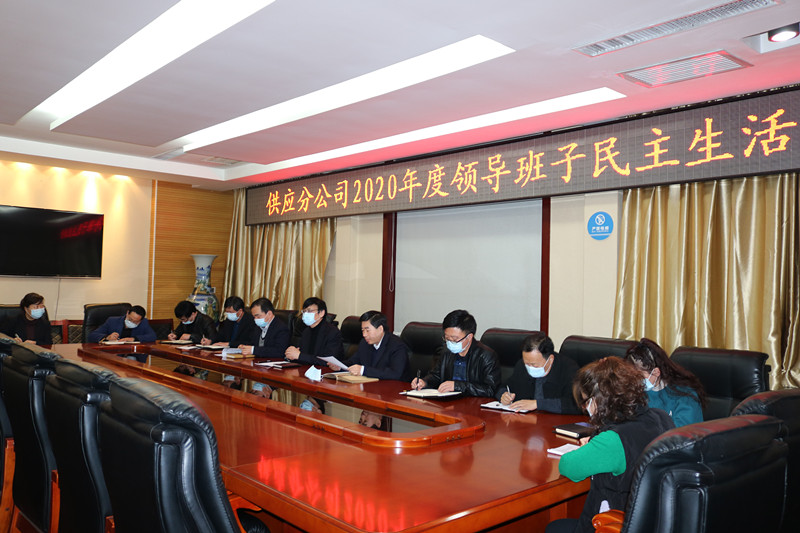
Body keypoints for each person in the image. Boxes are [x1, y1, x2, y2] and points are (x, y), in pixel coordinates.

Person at [545, 357, 674, 533]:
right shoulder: (661, 417)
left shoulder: (612, 439)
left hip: (614, 524)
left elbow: (568, 466)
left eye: (586, 401)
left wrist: (590, 447)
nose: (586, 408)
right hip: (655, 522)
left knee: (554, 528)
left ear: (600, 400)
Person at [411, 309, 500, 398]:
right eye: (447, 338)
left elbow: (490, 390)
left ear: (469, 337)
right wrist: (424, 382)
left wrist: (457, 386)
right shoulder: (446, 351)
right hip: (448, 401)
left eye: (454, 339)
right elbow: (436, 375)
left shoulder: (486, 356)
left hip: (472, 404)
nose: (450, 343)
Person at [625, 338, 705, 427]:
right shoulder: (634, 393)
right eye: (631, 376)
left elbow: (680, 432)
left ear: (656, 372)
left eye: (639, 376)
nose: (635, 380)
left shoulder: (685, 395)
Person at [496, 332, 580, 414]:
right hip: (526, 418)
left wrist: (538, 404)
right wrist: (503, 395)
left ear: (550, 359)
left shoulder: (569, 369)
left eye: (534, 365)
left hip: (556, 420)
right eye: (527, 363)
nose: (529, 367)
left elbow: (575, 405)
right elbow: (504, 386)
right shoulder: (521, 366)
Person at [341, 310, 411, 380]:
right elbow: (353, 361)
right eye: (362, 330)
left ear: (380, 329)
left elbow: (395, 374)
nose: (364, 335)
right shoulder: (364, 343)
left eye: (367, 330)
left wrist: (363, 371)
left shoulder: (397, 346)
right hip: (370, 383)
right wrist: (340, 366)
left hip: (393, 385)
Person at [285, 297, 344, 365]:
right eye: (304, 311)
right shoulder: (306, 331)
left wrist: (299, 356)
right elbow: (301, 355)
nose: (305, 314)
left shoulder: (333, 332)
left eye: (309, 311)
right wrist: (291, 354)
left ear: (321, 313)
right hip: (306, 369)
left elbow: (329, 362)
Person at [88, 305, 156, 343]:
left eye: (135, 322)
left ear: (141, 320)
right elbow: (92, 335)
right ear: (127, 313)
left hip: (132, 354)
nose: (132, 322)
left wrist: (133, 339)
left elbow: (152, 336)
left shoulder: (144, 322)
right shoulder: (112, 321)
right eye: (130, 319)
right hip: (114, 353)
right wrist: (107, 337)